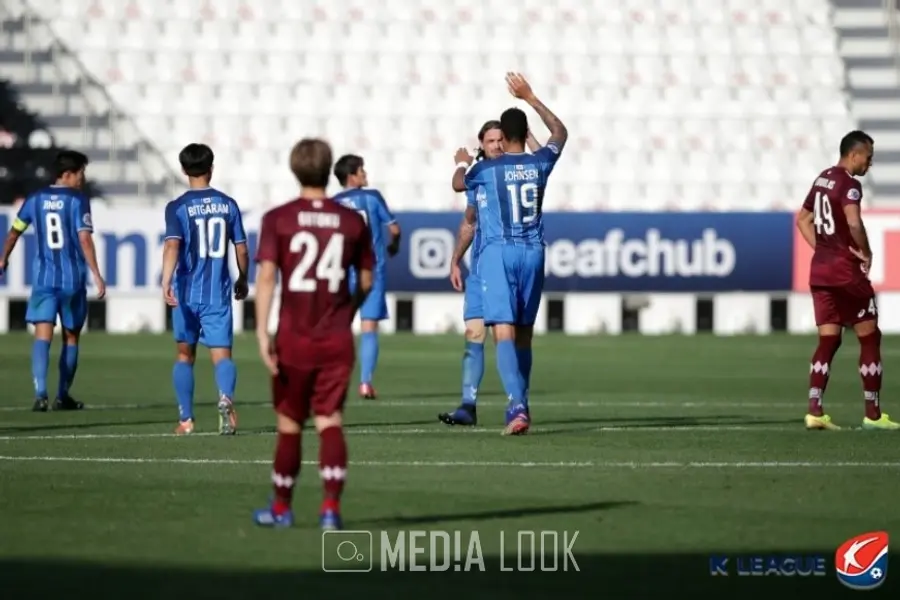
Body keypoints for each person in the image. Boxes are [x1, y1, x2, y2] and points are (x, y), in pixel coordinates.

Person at [253, 138, 375, 530]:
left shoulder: (278, 219)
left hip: (294, 338)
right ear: (328, 169)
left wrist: (261, 332)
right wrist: (348, 310)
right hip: (336, 338)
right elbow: (367, 280)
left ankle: (281, 508)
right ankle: (330, 509)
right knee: (330, 420)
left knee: (290, 423)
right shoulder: (352, 221)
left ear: (294, 169)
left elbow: (267, 277)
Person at [451, 73, 567, 435]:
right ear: (526, 132)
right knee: (525, 335)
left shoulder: (485, 169)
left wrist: (461, 161)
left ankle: (516, 407)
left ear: (504, 135)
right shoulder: (540, 163)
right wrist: (530, 97)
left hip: (500, 253)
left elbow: (459, 184)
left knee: (503, 331)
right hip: (533, 252)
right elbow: (560, 132)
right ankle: (521, 401)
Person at [439, 121, 544, 427]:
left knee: (513, 336)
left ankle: (519, 402)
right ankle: (468, 406)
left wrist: (461, 164)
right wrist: (455, 259)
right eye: (490, 141)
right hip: (480, 268)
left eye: (500, 139)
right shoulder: (480, 177)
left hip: (505, 264)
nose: (497, 145)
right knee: (473, 333)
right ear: (482, 146)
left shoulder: (515, 173)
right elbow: (470, 222)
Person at [796, 130, 898, 431]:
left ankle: (815, 410)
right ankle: (873, 415)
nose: (870, 163)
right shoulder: (849, 184)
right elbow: (853, 221)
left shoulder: (822, 179)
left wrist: (824, 249)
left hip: (820, 271)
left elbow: (802, 220)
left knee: (829, 339)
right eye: (868, 157)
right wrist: (865, 252)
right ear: (854, 154)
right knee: (869, 335)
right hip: (845, 272)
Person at [0, 150, 105, 412]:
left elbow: (14, 232)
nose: (82, 179)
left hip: (43, 280)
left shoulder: (35, 199)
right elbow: (84, 239)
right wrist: (96, 273)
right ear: (67, 174)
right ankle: (62, 395)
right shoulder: (78, 200)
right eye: (80, 173)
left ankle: (40, 395)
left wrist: (3, 259)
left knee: (42, 336)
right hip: (72, 280)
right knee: (71, 338)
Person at [161, 143, 249, 436]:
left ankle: (186, 420)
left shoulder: (177, 207)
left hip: (186, 294)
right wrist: (243, 277)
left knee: (184, 355)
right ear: (211, 168)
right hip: (217, 294)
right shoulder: (228, 205)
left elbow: (172, 245)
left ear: (183, 170)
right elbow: (241, 248)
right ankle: (225, 399)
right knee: (222, 356)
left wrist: (165, 280)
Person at [331, 155, 401, 399]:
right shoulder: (372, 197)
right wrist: (394, 245)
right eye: (361, 170)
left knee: (339, 325)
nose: (365, 174)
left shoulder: (333, 203)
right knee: (369, 326)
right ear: (351, 176)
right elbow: (394, 229)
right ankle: (365, 383)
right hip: (371, 269)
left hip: (342, 271)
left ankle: (334, 380)